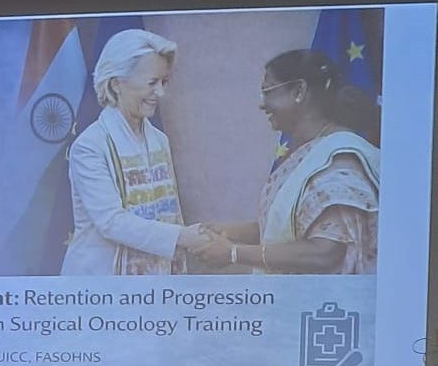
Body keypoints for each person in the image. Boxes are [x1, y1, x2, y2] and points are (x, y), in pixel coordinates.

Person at [195, 49, 380, 274]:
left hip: (326, 296)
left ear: (299, 91)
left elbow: (326, 253)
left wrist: (234, 253)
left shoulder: (340, 158)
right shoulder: (311, 150)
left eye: (268, 91)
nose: (262, 104)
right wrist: (229, 232)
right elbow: (291, 228)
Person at [61, 28, 206, 275]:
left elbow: (170, 212)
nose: (160, 92)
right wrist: (182, 237)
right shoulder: (89, 146)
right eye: (152, 83)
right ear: (116, 84)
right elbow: (111, 222)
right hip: (98, 284)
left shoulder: (159, 140)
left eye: (164, 82)